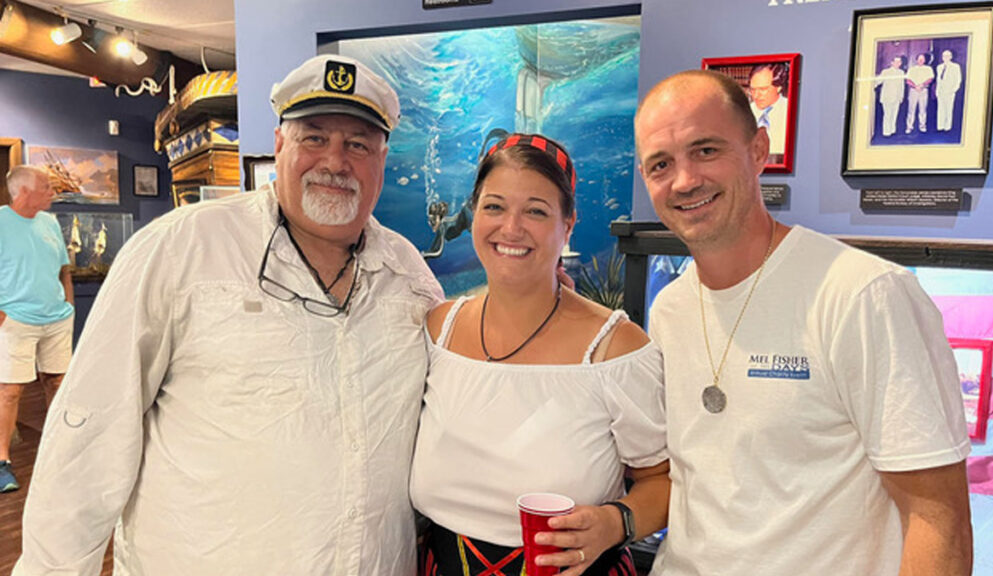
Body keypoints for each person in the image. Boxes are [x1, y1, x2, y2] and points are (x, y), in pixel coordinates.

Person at [14, 54, 443, 576]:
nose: (335, 161)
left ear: (382, 158)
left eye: (357, 144)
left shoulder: (409, 275)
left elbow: (451, 419)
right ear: (280, 144)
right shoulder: (180, 249)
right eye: (314, 137)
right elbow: (88, 438)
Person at [634, 69, 972, 575]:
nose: (684, 180)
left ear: (758, 150)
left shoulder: (863, 295)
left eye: (706, 150)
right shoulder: (670, 310)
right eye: (661, 164)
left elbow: (937, 519)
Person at [411, 133, 670, 576]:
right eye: (494, 206)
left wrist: (615, 522)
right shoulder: (438, 330)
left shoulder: (616, 349)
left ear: (567, 225)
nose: (511, 228)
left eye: (536, 211)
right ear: (474, 214)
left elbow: (664, 478)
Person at [0, 165, 75, 494]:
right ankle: (2, 462)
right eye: (46, 187)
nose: (52, 192)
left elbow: (64, 270)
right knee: (10, 392)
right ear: (24, 192)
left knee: (57, 382)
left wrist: (69, 306)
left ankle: (59, 449)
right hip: (16, 320)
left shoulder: (49, 222)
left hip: (57, 318)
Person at [746, 64, 787, 155]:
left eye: (763, 89)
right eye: (753, 90)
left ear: (778, 87)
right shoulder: (744, 112)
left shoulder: (790, 111)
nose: (756, 96)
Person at [876, 55, 906, 137]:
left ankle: (893, 130)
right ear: (891, 62)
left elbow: (902, 86)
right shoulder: (885, 72)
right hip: (887, 97)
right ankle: (886, 132)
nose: (897, 63)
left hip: (897, 97)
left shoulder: (901, 72)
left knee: (894, 114)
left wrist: (901, 96)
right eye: (895, 61)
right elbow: (879, 81)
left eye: (899, 62)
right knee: (887, 114)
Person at [905, 53, 934, 134]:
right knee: (911, 109)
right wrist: (915, 86)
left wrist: (922, 85)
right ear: (916, 60)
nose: (921, 60)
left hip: (924, 90)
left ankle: (922, 126)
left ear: (925, 60)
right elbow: (908, 80)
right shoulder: (912, 69)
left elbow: (930, 78)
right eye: (919, 59)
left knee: (923, 109)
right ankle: (909, 126)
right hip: (913, 91)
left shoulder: (928, 69)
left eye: (922, 59)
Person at [935, 49, 963, 132]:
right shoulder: (939, 67)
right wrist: (937, 90)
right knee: (941, 109)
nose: (945, 57)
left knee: (949, 109)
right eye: (944, 56)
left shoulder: (955, 66)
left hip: (950, 91)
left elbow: (958, 79)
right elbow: (938, 79)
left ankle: (947, 127)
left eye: (947, 56)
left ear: (951, 57)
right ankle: (940, 126)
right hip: (941, 91)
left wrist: (954, 90)